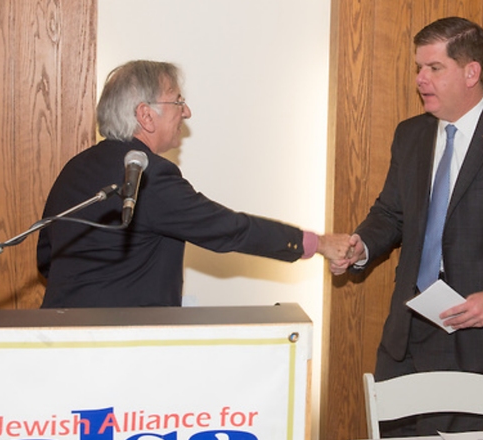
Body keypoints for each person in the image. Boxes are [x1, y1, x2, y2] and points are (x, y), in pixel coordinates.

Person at [332, 17, 483, 436]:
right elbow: (392, 213)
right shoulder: (410, 135)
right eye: (418, 68)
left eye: (433, 68)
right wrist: (362, 247)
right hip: (404, 336)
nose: (420, 79)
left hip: (471, 337)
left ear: (471, 71)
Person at [37, 60, 349, 308]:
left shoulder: (73, 169)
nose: (186, 111)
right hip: (124, 352)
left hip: (62, 345)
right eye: (178, 101)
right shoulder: (150, 176)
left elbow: (46, 259)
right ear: (146, 115)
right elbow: (229, 230)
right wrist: (316, 243)